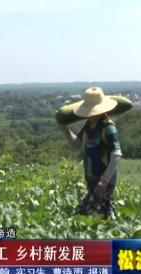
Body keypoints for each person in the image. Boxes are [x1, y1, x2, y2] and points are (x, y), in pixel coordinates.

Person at [59, 87, 122, 219]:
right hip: (92, 179)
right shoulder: (89, 124)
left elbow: (116, 155)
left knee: (84, 213)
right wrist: (64, 128)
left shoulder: (108, 127)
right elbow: (77, 144)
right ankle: (112, 226)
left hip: (104, 180)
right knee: (102, 211)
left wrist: (104, 181)